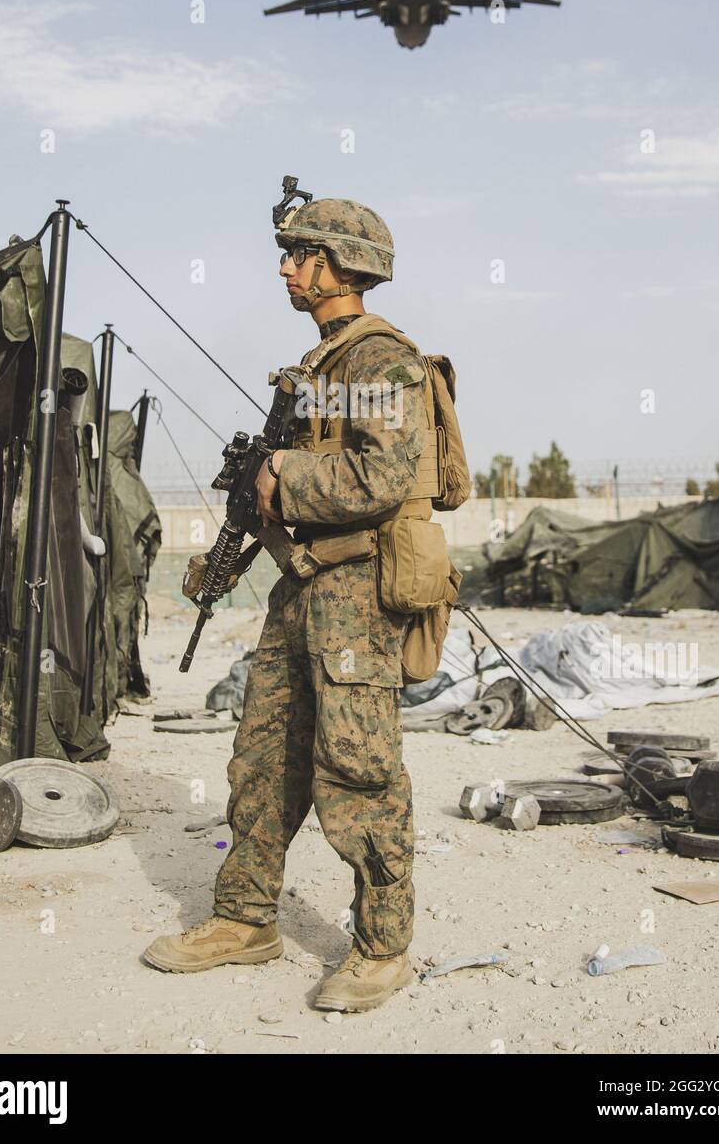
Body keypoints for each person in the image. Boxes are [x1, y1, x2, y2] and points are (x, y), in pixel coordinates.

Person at [144, 197, 435, 1012]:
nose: (284, 268)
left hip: (356, 596)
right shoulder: (320, 367)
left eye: (297, 254)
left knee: (359, 771)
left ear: (338, 265)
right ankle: (245, 918)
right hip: (303, 587)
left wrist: (283, 476)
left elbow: (379, 479)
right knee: (262, 758)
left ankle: (382, 946)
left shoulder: (378, 362)